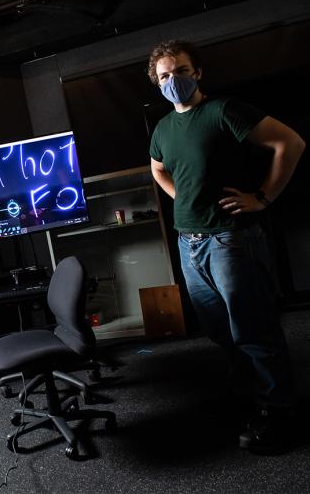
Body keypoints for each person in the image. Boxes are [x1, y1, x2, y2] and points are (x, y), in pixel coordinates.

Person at [147, 39, 306, 453]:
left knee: (253, 329)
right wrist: (182, 198)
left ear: (197, 72)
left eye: (180, 71)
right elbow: (158, 168)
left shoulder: (222, 111)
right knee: (220, 331)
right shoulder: (163, 127)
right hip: (190, 244)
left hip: (230, 239)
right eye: (165, 76)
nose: (173, 81)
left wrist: (263, 198)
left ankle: (280, 413)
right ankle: (252, 399)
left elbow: (290, 143)